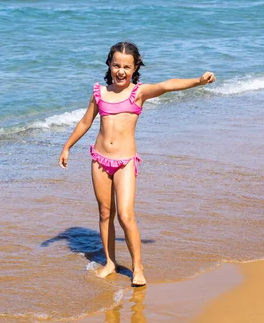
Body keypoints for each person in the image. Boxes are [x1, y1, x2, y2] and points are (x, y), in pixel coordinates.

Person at [58, 42, 215, 286]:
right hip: (99, 160)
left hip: (125, 163)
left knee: (126, 215)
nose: (121, 71)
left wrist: (198, 81)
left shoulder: (138, 93)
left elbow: (167, 85)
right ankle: (110, 262)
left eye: (126, 67)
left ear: (135, 68)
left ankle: (137, 267)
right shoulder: (100, 93)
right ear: (109, 65)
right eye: (116, 65)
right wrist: (67, 147)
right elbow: (84, 122)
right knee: (104, 213)